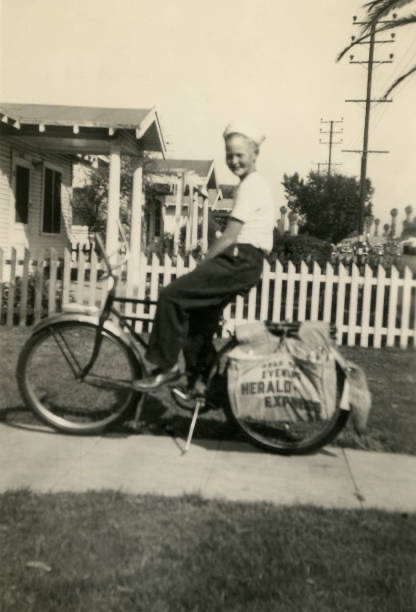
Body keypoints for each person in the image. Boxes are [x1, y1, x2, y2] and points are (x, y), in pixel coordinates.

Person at [134, 121, 276, 392]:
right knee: (198, 321)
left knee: (171, 296)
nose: (234, 161)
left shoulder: (251, 185)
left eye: (240, 155)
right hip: (246, 262)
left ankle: (167, 367)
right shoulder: (251, 184)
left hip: (239, 259)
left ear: (255, 154)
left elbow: (229, 236)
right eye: (229, 155)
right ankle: (202, 384)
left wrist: (201, 266)